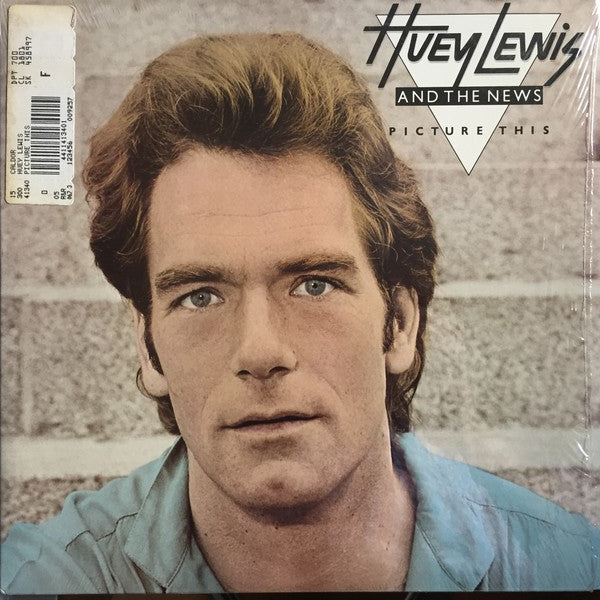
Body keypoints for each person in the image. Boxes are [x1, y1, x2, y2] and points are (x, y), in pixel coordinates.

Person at [1, 33, 598, 593]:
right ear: (147, 346)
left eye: (314, 285)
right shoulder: (46, 580)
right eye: (200, 296)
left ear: (398, 324)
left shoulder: (569, 570)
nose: (260, 351)